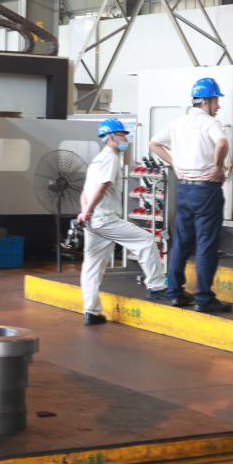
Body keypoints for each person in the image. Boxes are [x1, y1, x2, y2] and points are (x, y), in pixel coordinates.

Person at [149, 77, 233, 314]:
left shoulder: (178, 123)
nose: (218, 106)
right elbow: (222, 143)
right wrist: (217, 165)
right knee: (206, 242)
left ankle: (175, 292)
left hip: (184, 188)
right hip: (206, 189)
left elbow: (153, 143)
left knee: (182, 242)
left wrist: (175, 163)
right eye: (216, 101)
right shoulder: (210, 123)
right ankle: (204, 298)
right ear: (206, 101)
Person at [76, 118, 167, 325]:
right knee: (146, 240)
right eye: (122, 135)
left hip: (93, 221)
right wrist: (88, 211)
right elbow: (101, 187)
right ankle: (156, 287)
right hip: (105, 218)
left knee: (92, 266)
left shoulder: (97, 160)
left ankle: (91, 311)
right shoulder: (110, 158)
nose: (126, 139)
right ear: (111, 137)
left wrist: (85, 213)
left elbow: (84, 192)